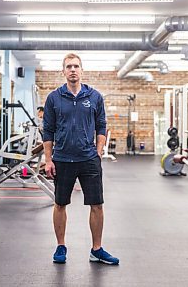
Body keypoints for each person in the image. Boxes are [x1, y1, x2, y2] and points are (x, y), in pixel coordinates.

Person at [43, 53, 119, 265]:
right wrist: (48, 160)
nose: (73, 70)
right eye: (69, 66)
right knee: (60, 204)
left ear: (82, 70)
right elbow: (47, 131)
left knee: (97, 204)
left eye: (76, 66)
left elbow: (101, 125)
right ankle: (60, 246)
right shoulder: (53, 98)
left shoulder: (94, 97)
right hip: (63, 159)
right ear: (63, 71)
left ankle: (97, 249)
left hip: (88, 159)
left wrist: (99, 149)